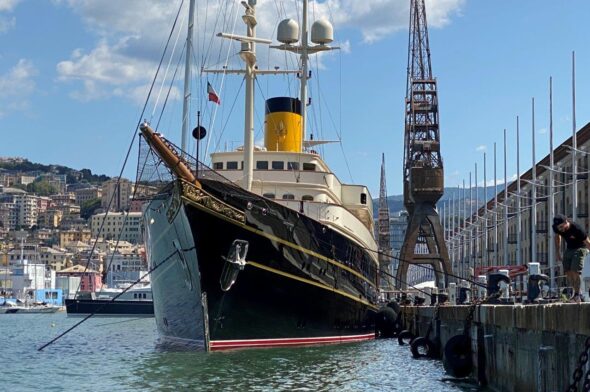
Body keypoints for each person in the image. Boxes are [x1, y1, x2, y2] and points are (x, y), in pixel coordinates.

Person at [552, 214, 590, 302]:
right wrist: (557, 252)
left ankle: (577, 295)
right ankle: (577, 292)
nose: (561, 229)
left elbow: (587, 242)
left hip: (581, 247)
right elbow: (557, 236)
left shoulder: (577, 229)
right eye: (559, 228)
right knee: (567, 270)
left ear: (566, 222)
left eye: (562, 227)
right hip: (570, 248)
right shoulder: (558, 228)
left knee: (575, 270)